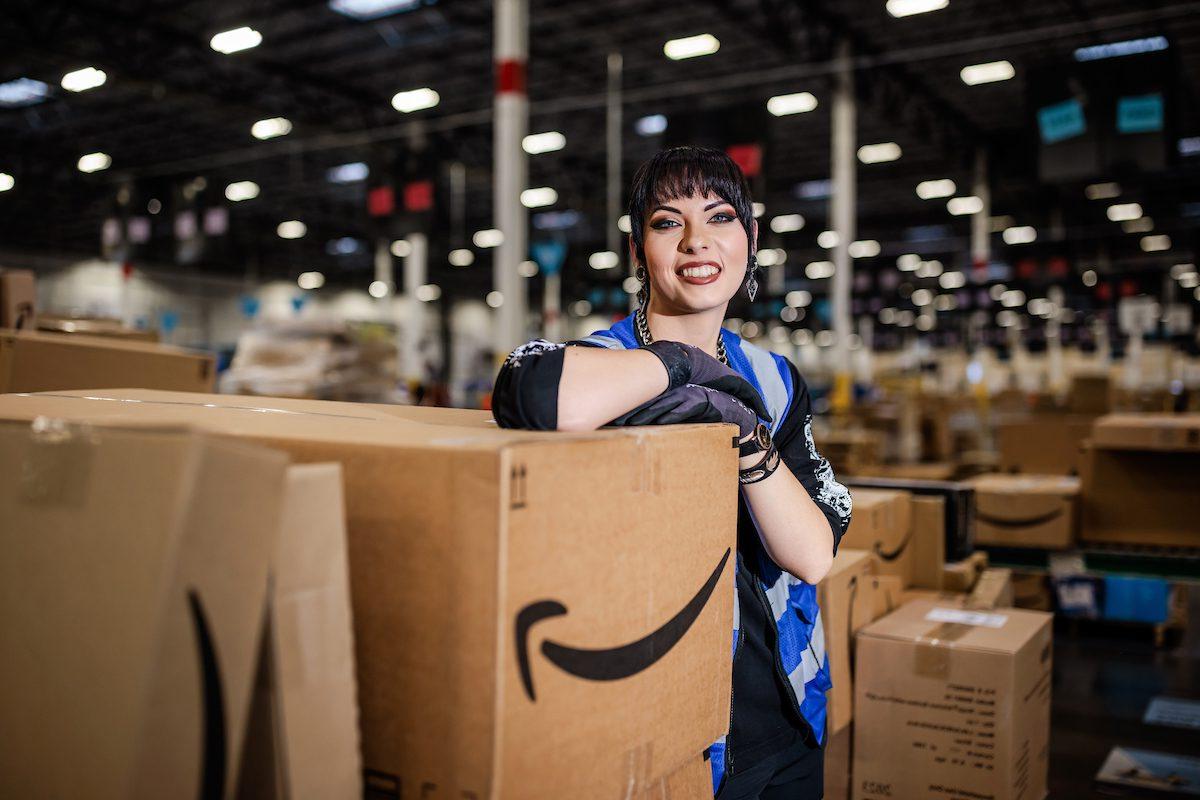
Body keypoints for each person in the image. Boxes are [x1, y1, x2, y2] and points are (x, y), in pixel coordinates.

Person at [492, 146, 852, 800]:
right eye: (666, 222)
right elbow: (535, 391)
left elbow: (812, 554)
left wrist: (746, 434)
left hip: (789, 722)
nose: (697, 241)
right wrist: (685, 366)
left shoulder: (775, 378)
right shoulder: (603, 363)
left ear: (750, 239)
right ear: (638, 251)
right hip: (669, 737)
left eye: (719, 217)